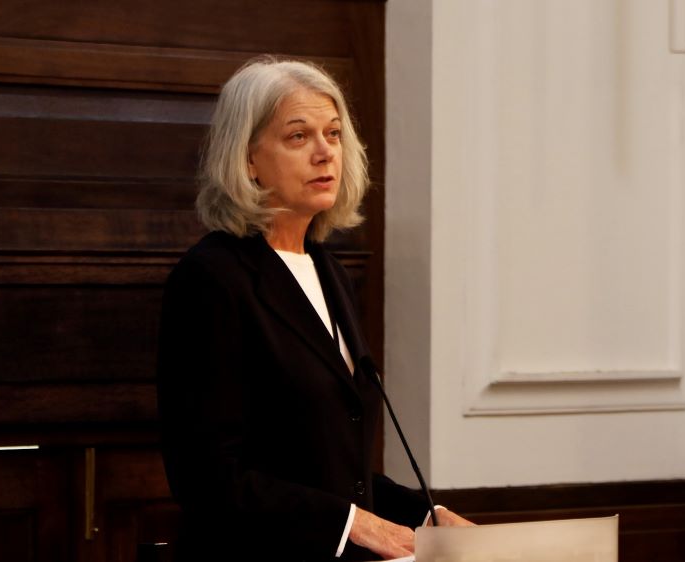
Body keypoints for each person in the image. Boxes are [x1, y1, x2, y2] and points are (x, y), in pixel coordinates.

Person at [157, 57, 472, 562]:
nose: (325, 152)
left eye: (334, 133)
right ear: (248, 159)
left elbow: (328, 469)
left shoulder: (328, 271)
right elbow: (208, 476)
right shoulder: (213, 278)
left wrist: (428, 515)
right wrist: (356, 525)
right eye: (299, 136)